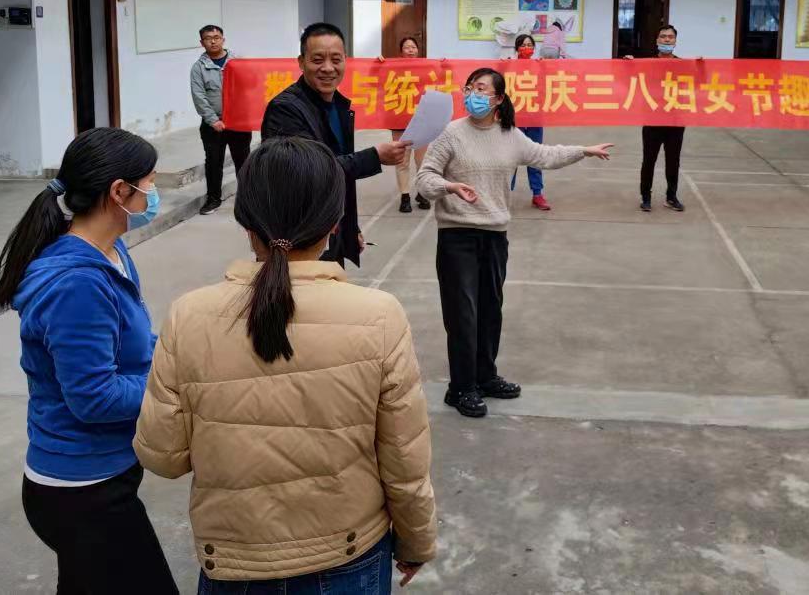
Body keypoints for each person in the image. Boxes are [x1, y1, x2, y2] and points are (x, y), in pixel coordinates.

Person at [134, 136, 437, 592]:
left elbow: (163, 455)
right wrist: (416, 541)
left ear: (245, 222)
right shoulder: (379, 315)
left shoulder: (188, 315)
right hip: (348, 556)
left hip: (233, 560)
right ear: (335, 222)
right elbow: (405, 458)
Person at [0, 128, 178, 594]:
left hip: (106, 474)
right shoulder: (79, 283)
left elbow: (134, 345)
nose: (154, 196)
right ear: (119, 192)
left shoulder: (112, 252)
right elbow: (95, 397)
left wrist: (175, 353)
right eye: (150, 184)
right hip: (82, 490)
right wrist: (176, 382)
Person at [415, 68, 613, 418]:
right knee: (462, 315)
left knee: (490, 311)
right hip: (457, 236)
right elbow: (425, 178)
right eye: (470, 88)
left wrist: (583, 150)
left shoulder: (510, 135)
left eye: (481, 89)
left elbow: (545, 155)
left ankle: (485, 376)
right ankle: (460, 387)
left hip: (495, 236)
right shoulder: (451, 133)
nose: (473, 95)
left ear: (498, 99)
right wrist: (449, 187)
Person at [261, 23, 410, 266]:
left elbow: (340, 176)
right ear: (301, 62)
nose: (328, 68)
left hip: (331, 229)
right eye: (317, 60)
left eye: (336, 59)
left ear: (345, 62)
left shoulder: (338, 105)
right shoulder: (285, 109)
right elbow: (308, 171)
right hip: (299, 236)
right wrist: (374, 156)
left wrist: (350, 227)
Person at [191, 24, 252, 216]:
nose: (213, 41)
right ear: (202, 43)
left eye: (216, 37)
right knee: (213, 162)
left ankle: (248, 200)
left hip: (239, 122)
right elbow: (199, 96)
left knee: (243, 161)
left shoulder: (238, 62)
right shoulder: (199, 68)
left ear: (223, 39)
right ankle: (213, 199)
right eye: (208, 38)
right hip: (213, 124)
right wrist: (212, 120)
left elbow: (252, 86)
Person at [635, 24, 687, 213]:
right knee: (649, 160)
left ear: (675, 41)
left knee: (673, 161)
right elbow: (629, 78)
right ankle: (646, 197)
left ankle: (671, 197)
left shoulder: (684, 65)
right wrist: (627, 64)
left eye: (670, 37)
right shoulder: (647, 63)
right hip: (653, 120)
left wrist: (700, 65)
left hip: (675, 120)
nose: (666, 39)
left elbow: (697, 83)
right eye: (663, 36)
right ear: (657, 40)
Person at [379, 35, 430, 215]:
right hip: (399, 120)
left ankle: (422, 193)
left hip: (422, 120)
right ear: (401, 51)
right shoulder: (392, 68)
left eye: (413, 47)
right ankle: (405, 196)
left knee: (422, 161)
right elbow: (376, 78)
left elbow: (442, 78)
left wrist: (443, 64)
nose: (410, 50)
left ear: (418, 50)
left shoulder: (426, 67)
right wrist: (379, 63)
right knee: (402, 160)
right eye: (407, 47)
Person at [508, 33, 552, 211]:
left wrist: (544, 68)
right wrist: (502, 65)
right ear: (517, 48)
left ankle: (537, 194)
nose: (527, 48)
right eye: (523, 45)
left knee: (535, 155)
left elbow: (549, 85)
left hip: (534, 117)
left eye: (530, 45)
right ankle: (505, 192)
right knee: (511, 157)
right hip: (515, 119)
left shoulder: (539, 66)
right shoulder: (510, 66)